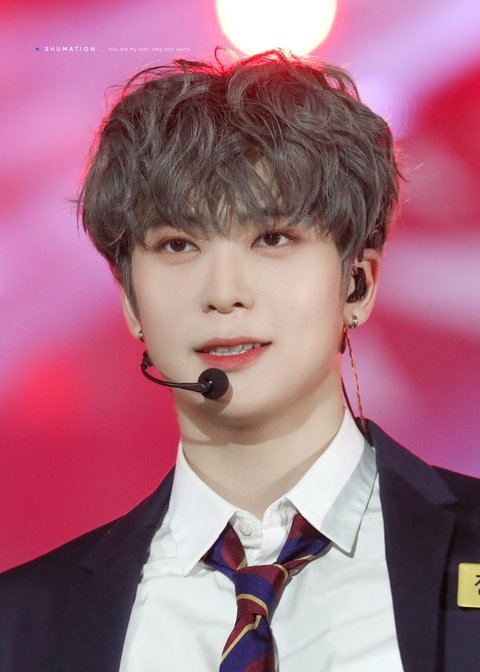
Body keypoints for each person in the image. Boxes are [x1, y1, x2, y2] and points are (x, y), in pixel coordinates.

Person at [1, 49, 479, 672]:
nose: (224, 292)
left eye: (272, 238)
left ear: (357, 283)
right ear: (131, 301)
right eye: (178, 244)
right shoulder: (24, 622)